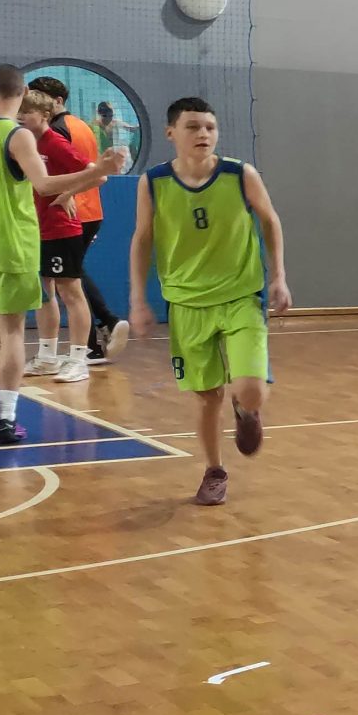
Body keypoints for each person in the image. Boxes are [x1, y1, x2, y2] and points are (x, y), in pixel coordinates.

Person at [0, 65, 124, 446]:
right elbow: (44, 185)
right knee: (12, 330)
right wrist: (99, 170)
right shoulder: (17, 135)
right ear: (24, 91)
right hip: (9, 243)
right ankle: (6, 418)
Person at [126, 99, 292, 507]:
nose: (203, 134)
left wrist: (279, 276)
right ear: (171, 133)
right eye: (193, 126)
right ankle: (214, 471)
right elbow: (142, 238)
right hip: (186, 301)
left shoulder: (239, 174)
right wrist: (138, 298)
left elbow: (270, 220)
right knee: (206, 396)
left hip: (241, 294)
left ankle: (246, 410)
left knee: (250, 389)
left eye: (210, 127)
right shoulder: (153, 182)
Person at [31, 76, 126, 361]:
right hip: (89, 210)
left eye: (36, 100)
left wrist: (67, 193)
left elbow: (86, 170)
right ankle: (98, 334)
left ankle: (97, 334)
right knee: (70, 276)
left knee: (68, 281)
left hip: (70, 212)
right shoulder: (82, 125)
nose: (28, 108)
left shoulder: (56, 132)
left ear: (54, 102)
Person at [16, 88, 92, 384]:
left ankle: (78, 359)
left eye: (27, 112)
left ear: (45, 115)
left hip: (61, 229)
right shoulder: (23, 144)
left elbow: (97, 173)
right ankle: (47, 357)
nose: (20, 117)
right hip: (34, 228)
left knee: (70, 292)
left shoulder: (55, 143)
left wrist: (68, 193)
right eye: (18, 112)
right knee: (43, 293)